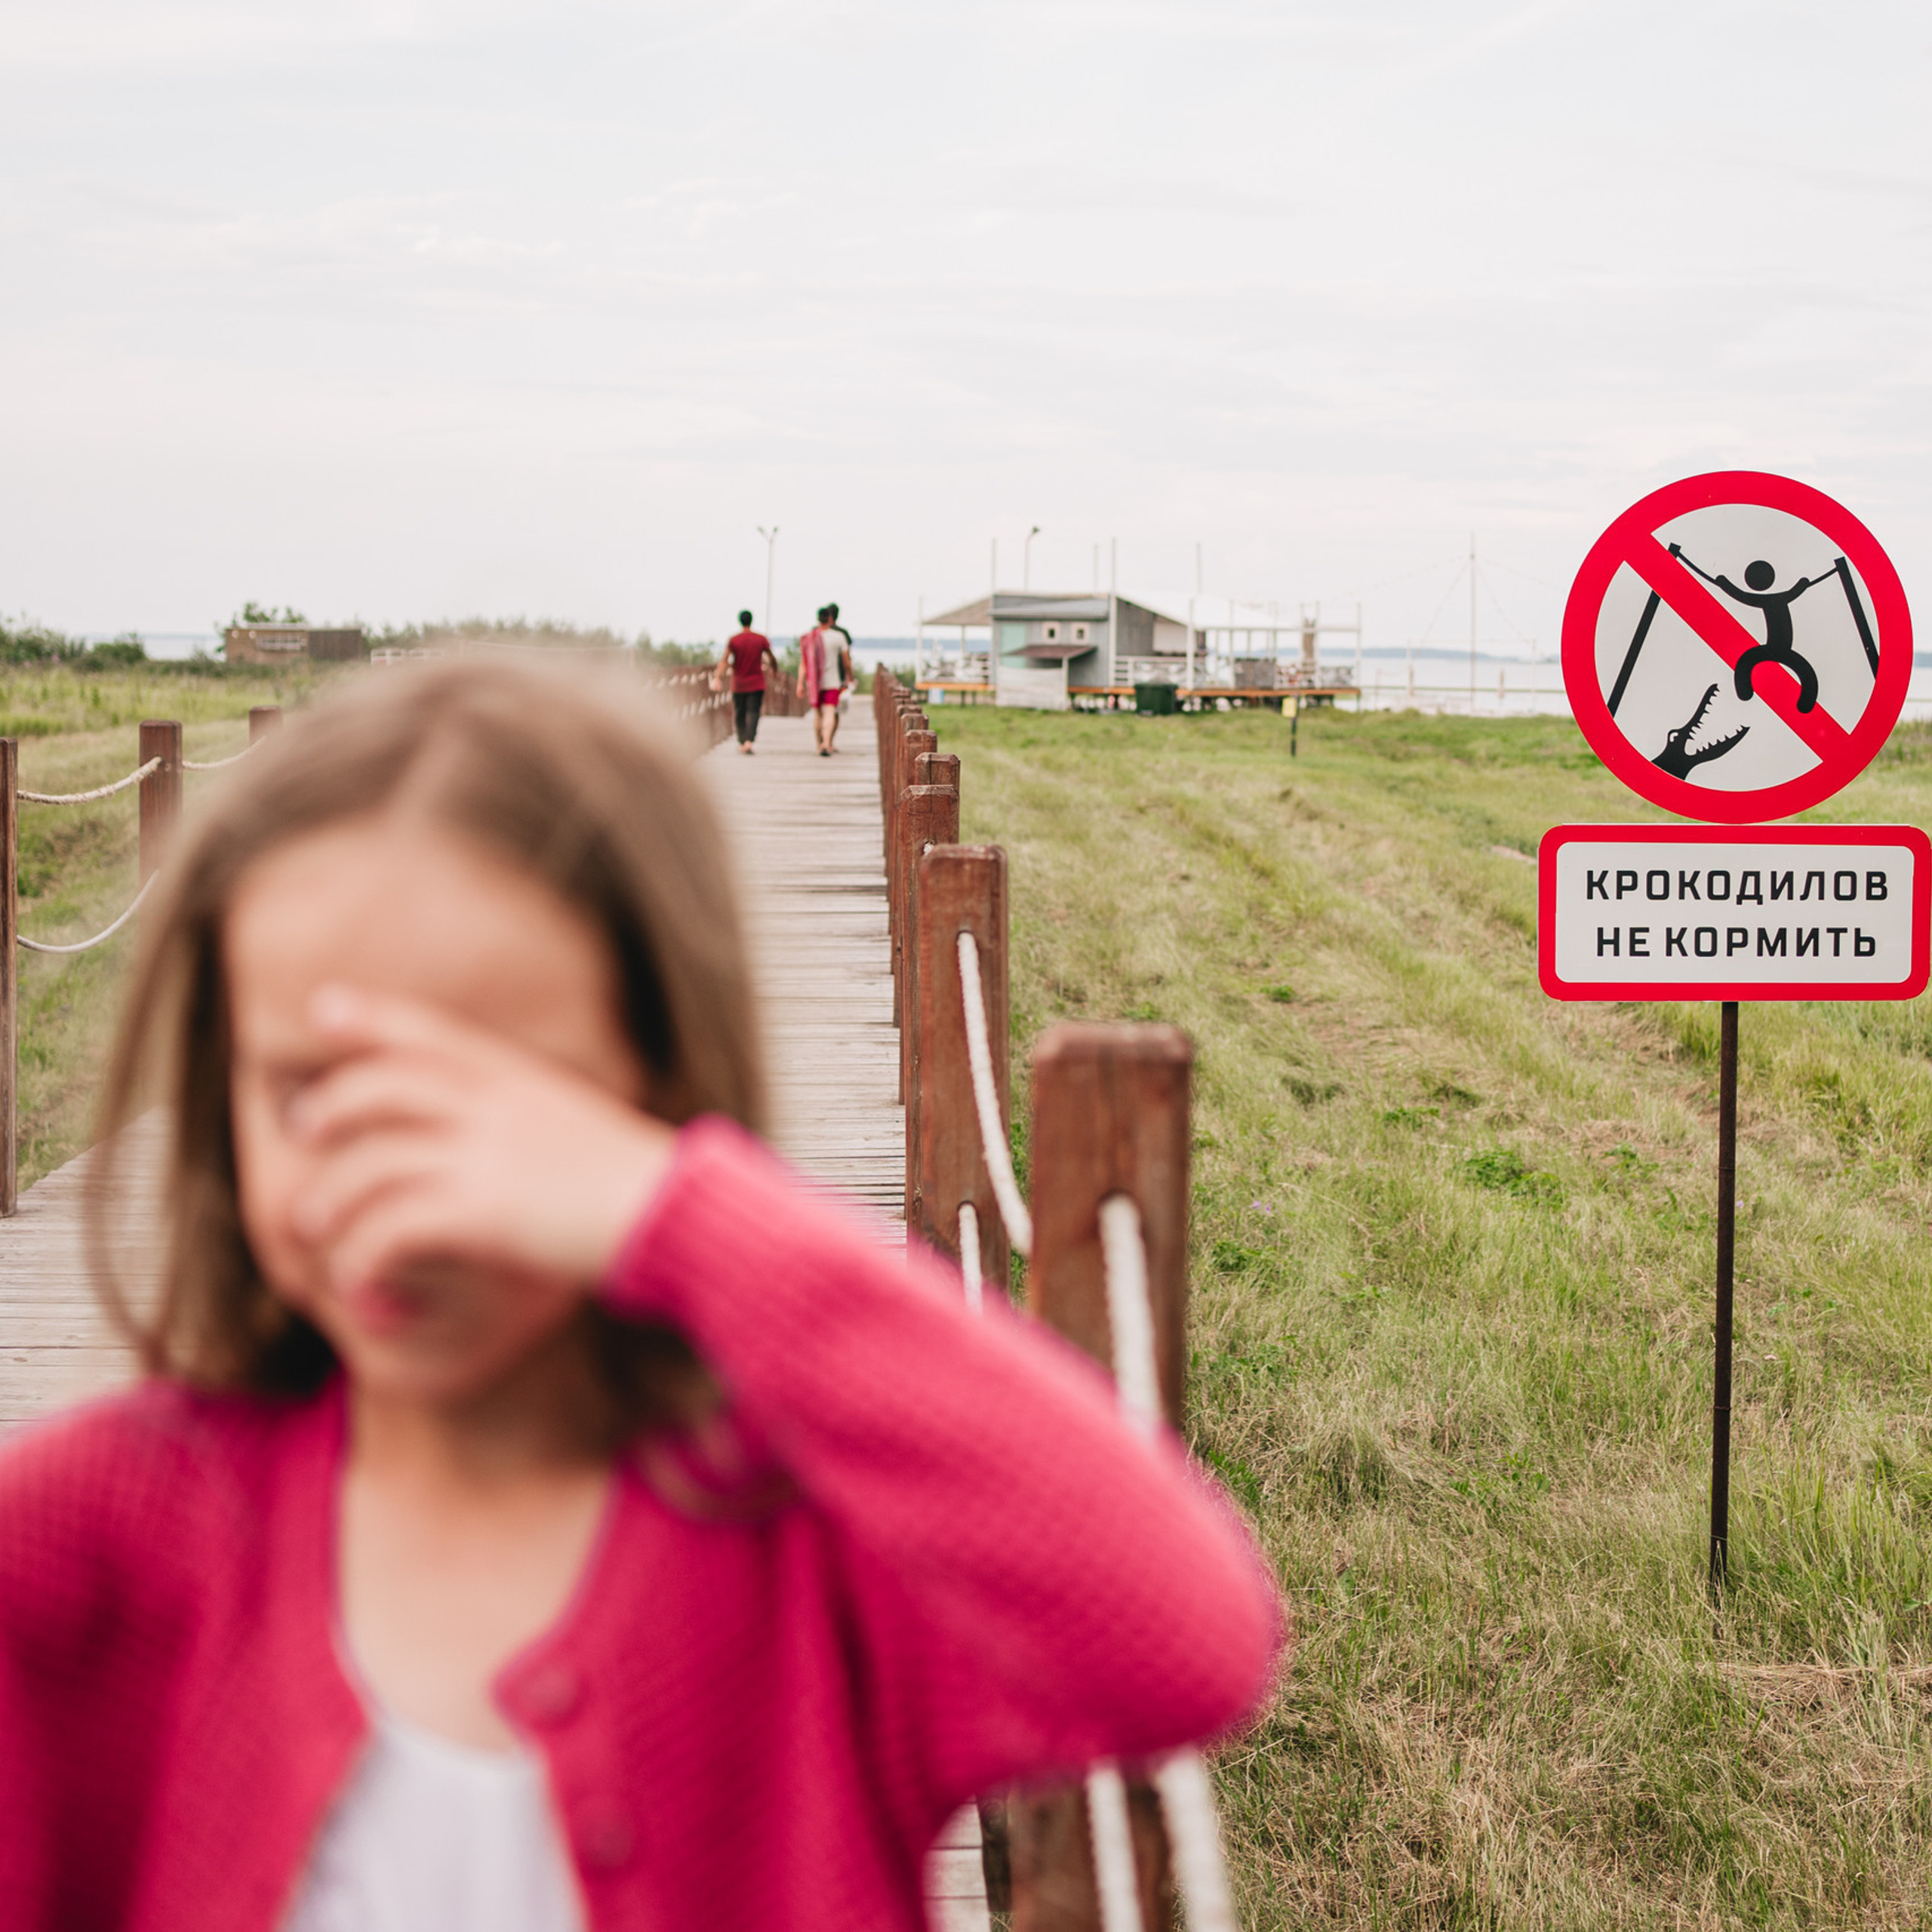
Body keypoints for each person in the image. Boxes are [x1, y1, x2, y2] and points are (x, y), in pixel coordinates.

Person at [0, 660, 1281, 1932]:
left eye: (503, 1102)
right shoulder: (99, 1539)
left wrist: (678, 1217)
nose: (410, 1184)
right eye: (314, 1091)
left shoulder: (804, 1533)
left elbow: (1186, 1638)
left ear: (659, 1095)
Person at [713, 610, 777, 753]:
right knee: (754, 712)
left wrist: (717, 677)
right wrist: (774, 670)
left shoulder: (734, 640)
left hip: (739, 684)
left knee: (740, 712)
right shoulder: (761, 639)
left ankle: (742, 741)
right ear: (751, 620)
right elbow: (771, 657)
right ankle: (749, 741)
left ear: (740, 621)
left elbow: (724, 660)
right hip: (757, 683)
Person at [799, 606, 853, 757]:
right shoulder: (839, 637)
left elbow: (803, 663)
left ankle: (818, 745)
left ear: (818, 619)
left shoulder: (809, 637)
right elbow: (847, 662)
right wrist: (850, 677)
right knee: (830, 712)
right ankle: (827, 742)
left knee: (818, 714)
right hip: (832, 681)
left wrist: (800, 683)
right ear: (831, 619)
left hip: (814, 683)